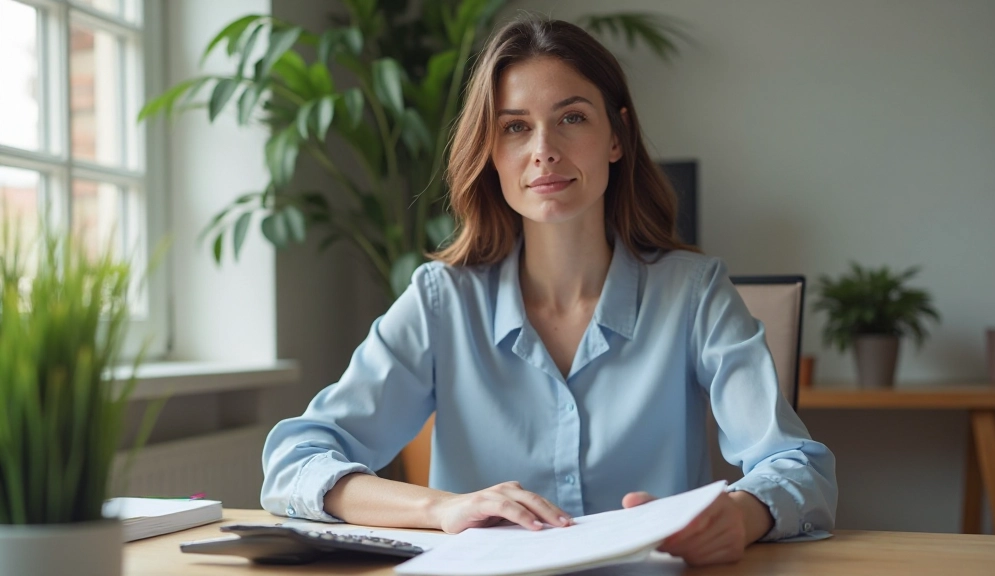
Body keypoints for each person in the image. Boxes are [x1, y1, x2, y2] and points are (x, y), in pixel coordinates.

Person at [262, 17, 837, 567]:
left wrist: (738, 516)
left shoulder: (694, 294)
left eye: (572, 118)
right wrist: (442, 508)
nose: (544, 150)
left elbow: (798, 467)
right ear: (491, 152)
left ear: (617, 135)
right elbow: (294, 463)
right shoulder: (442, 301)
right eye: (515, 126)